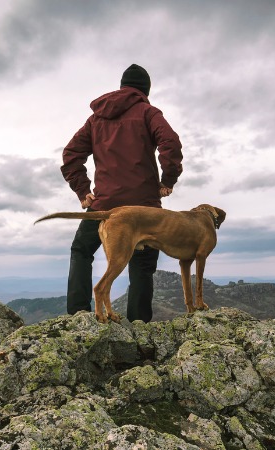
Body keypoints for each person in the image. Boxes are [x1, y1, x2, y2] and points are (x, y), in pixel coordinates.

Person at [59, 64, 183, 322]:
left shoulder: (96, 119)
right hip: (145, 208)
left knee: (81, 250)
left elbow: (71, 154)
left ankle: (78, 317)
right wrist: (167, 180)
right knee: (142, 267)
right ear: (145, 90)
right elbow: (170, 142)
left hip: (105, 206)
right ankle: (138, 327)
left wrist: (83, 191)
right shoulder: (148, 112)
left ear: (121, 86)